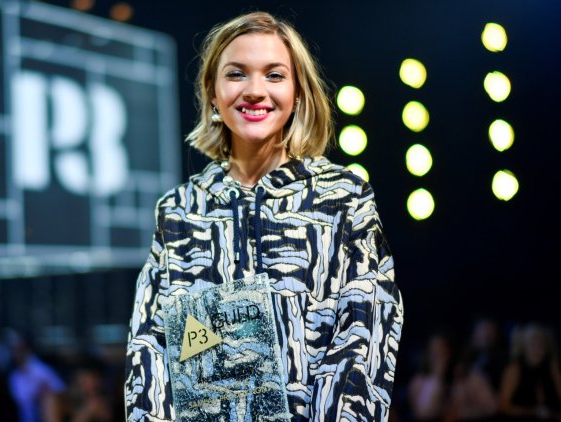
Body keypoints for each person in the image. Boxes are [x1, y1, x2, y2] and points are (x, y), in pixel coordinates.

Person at [124, 11, 404, 421]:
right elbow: (149, 347)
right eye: (237, 74)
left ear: (298, 92)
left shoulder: (343, 198)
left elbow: (365, 331)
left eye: (274, 75)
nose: (255, 91)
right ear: (212, 92)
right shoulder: (180, 211)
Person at [498, 323, 561, 420]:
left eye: (541, 340)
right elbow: (503, 406)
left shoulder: (552, 366)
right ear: (524, 345)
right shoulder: (514, 369)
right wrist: (533, 412)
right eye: (533, 341)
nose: (538, 344)